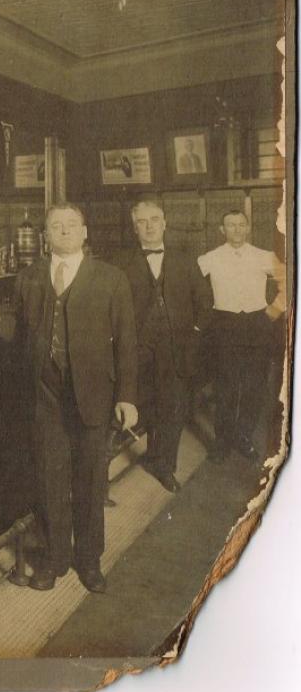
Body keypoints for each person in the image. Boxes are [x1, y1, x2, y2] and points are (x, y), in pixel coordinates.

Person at [0, 203, 138, 594]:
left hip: (94, 395)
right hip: (45, 396)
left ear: (84, 233)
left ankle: (89, 561)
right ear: (46, 235)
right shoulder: (30, 277)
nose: (63, 231)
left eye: (71, 225)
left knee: (90, 482)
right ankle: (54, 559)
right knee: (49, 483)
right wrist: (0, 323)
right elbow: (24, 329)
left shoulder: (110, 278)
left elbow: (127, 342)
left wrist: (127, 396)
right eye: (55, 226)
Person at [114, 201, 212, 492]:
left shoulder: (185, 260)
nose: (149, 226)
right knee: (138, 405)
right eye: (142, 222)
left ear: (165, 223)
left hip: (176, 348)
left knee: (172, 409)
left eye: (155, 219)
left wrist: (193, 332)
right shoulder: (120, 262)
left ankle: (164, 466)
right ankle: (122, 465)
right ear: (134, 228)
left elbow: (205, 303)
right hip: (136, 348)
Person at [197, 211, 286, 461]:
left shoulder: (263, 256)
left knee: (255, 385)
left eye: (240, 225)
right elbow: (190, 284)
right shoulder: (210, 258)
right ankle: (222, 441)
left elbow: (289, 280)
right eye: (230, 225)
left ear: (248, 229)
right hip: (224, 326)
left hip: (257, 325)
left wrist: (273, 310)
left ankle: (243, 435)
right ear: (221, 230)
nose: (236, 229)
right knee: (225, 386)